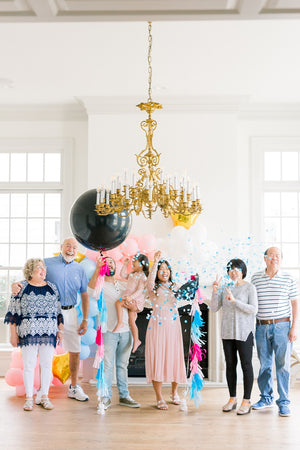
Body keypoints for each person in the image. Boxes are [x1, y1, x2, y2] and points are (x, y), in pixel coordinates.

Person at [11, 237, 90, 402]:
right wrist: (15, 284)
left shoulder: (79, 269)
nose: (71, 249)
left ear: (77, 251)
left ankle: (74, 387)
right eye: (68, 245)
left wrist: (85, 319)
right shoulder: (48, 263)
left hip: (70, 312)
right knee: (42, 351)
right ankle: (41, 390)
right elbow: (31, 276)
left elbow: (84, 294)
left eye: (74, 247)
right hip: (48, 313)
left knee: (75, 350)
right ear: (61, 247)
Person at [5, 258, 64, 411]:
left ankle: (44, 396)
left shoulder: (52, 287)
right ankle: (29, 398)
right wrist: (13, 334)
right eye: (39, 267)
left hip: (49, 332)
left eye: (43, 267)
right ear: (30, 270)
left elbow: (58, 311)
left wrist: (60, 330)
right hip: (28, 332)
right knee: (29, 366)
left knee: (46, 365)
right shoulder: (21, 287)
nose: (43, 270)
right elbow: (13, 313)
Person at [88, 256, 140, 410]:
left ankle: (124, 396)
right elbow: (90, 291)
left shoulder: (123, 285)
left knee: (123, 366)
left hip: (126, 332)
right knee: (108, 365)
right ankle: (105, 397)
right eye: (105, 262)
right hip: (109, 331)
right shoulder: (100, 285)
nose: (109, 264)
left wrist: (133, 305)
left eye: (111, 262)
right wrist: (97, 269)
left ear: (115, 266)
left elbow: (136, 307)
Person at [251, 247, 299, 417]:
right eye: (270, 255)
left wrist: (294, 328)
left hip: (282, 327)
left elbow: (295, 304)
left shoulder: (288, 278)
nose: (274, 258)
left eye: (277, 255)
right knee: (264, 365)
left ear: (281, 259)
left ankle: (284, 403)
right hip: (261, 326)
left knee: (283, 366)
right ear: (265, 258)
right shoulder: (255, 277)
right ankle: (265, 398)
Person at [210, 259, 258, 415]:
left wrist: (235, 301)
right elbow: (213, 308)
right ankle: (232, 399)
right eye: (231, 269)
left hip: (244, 333)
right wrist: (215, 290)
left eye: (237, 269)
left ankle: (246, 401)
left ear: (243, 270)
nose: (234, 272)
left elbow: (253, 309)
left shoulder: (249, 287)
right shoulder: (226, 288)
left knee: (246, 365)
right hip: (228, 333)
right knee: (230, 365)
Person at [145, 250, 186, 410]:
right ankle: (159, 397)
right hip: (157, 327)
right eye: (161, 269)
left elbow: (187, 296)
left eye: (167, 269)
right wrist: (155, 262)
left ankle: (174, 393)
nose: (164, 272)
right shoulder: (153, 288)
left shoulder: (176, 286)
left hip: (173, 327)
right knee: (158, 359)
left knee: (175, 358)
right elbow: (149, 282)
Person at [112, 254, 149, 353]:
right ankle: (136, 340)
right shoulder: (133, 274)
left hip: (135, 300)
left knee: (118, 303)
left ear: (142, 264)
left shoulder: (142, 276)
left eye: (135, 261)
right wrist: (125, 264)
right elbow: (123, 275)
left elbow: (140, 290)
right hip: (130, 299)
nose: (133, 263)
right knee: (131, 321)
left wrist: (131, 297)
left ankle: (120, 322)